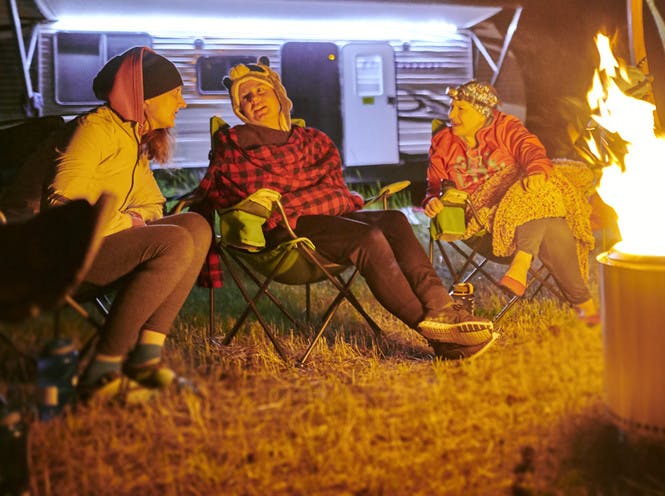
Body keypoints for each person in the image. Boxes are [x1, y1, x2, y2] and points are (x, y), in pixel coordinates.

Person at [193, 60, 496, 360]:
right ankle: (440, 336)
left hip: (324, 221)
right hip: (285, 234)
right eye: (245, 97)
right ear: (239, 110)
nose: (255, 99)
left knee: (393, 219)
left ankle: (441, 306)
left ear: (278, 95)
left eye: (260, 90)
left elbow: (333, 187)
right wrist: (310, 195)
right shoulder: (234, 144)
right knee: (368, 238)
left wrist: (303, 194)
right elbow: (250, 191)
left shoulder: (312, 140)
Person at [43, 46, 212, 401]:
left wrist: (137, 220)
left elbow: (152, 203)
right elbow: (63, 200)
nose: (181, 104)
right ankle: (101, 372)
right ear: (145, 98)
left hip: (98, 243)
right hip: (59, 256)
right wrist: (127, 222)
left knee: (196, 226)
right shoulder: (95, 129)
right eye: (175, 95)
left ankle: (145, 358)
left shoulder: (132, 135)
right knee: (174, 242)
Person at [423, 81, 599, 324]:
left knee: (537, 183)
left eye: (461, 109)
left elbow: (530, 150)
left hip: (520, 213)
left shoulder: (505, 128)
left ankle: (522, 262)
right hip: (482, 222)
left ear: (482, 110)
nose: (452, 115)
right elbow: (434, 185)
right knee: (549, 209)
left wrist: (536, 170)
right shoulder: (444, 141)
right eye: (452, 107)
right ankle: (585, 305)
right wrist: (433, 200)